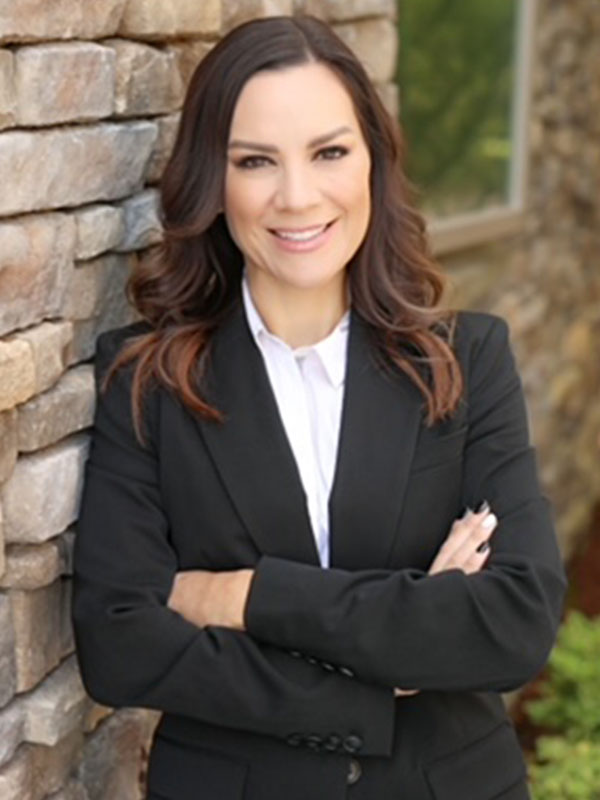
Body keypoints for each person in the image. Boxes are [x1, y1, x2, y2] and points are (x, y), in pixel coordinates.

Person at [72, 15, 567, 800]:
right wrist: (392, 661)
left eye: (329, 152)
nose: (297, 197)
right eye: (256, 161)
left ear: (372, 160)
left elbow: (514, 623)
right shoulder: (147, 380)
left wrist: (239, 597)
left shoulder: (469, 360)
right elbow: (120, 643)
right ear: (213, 178)